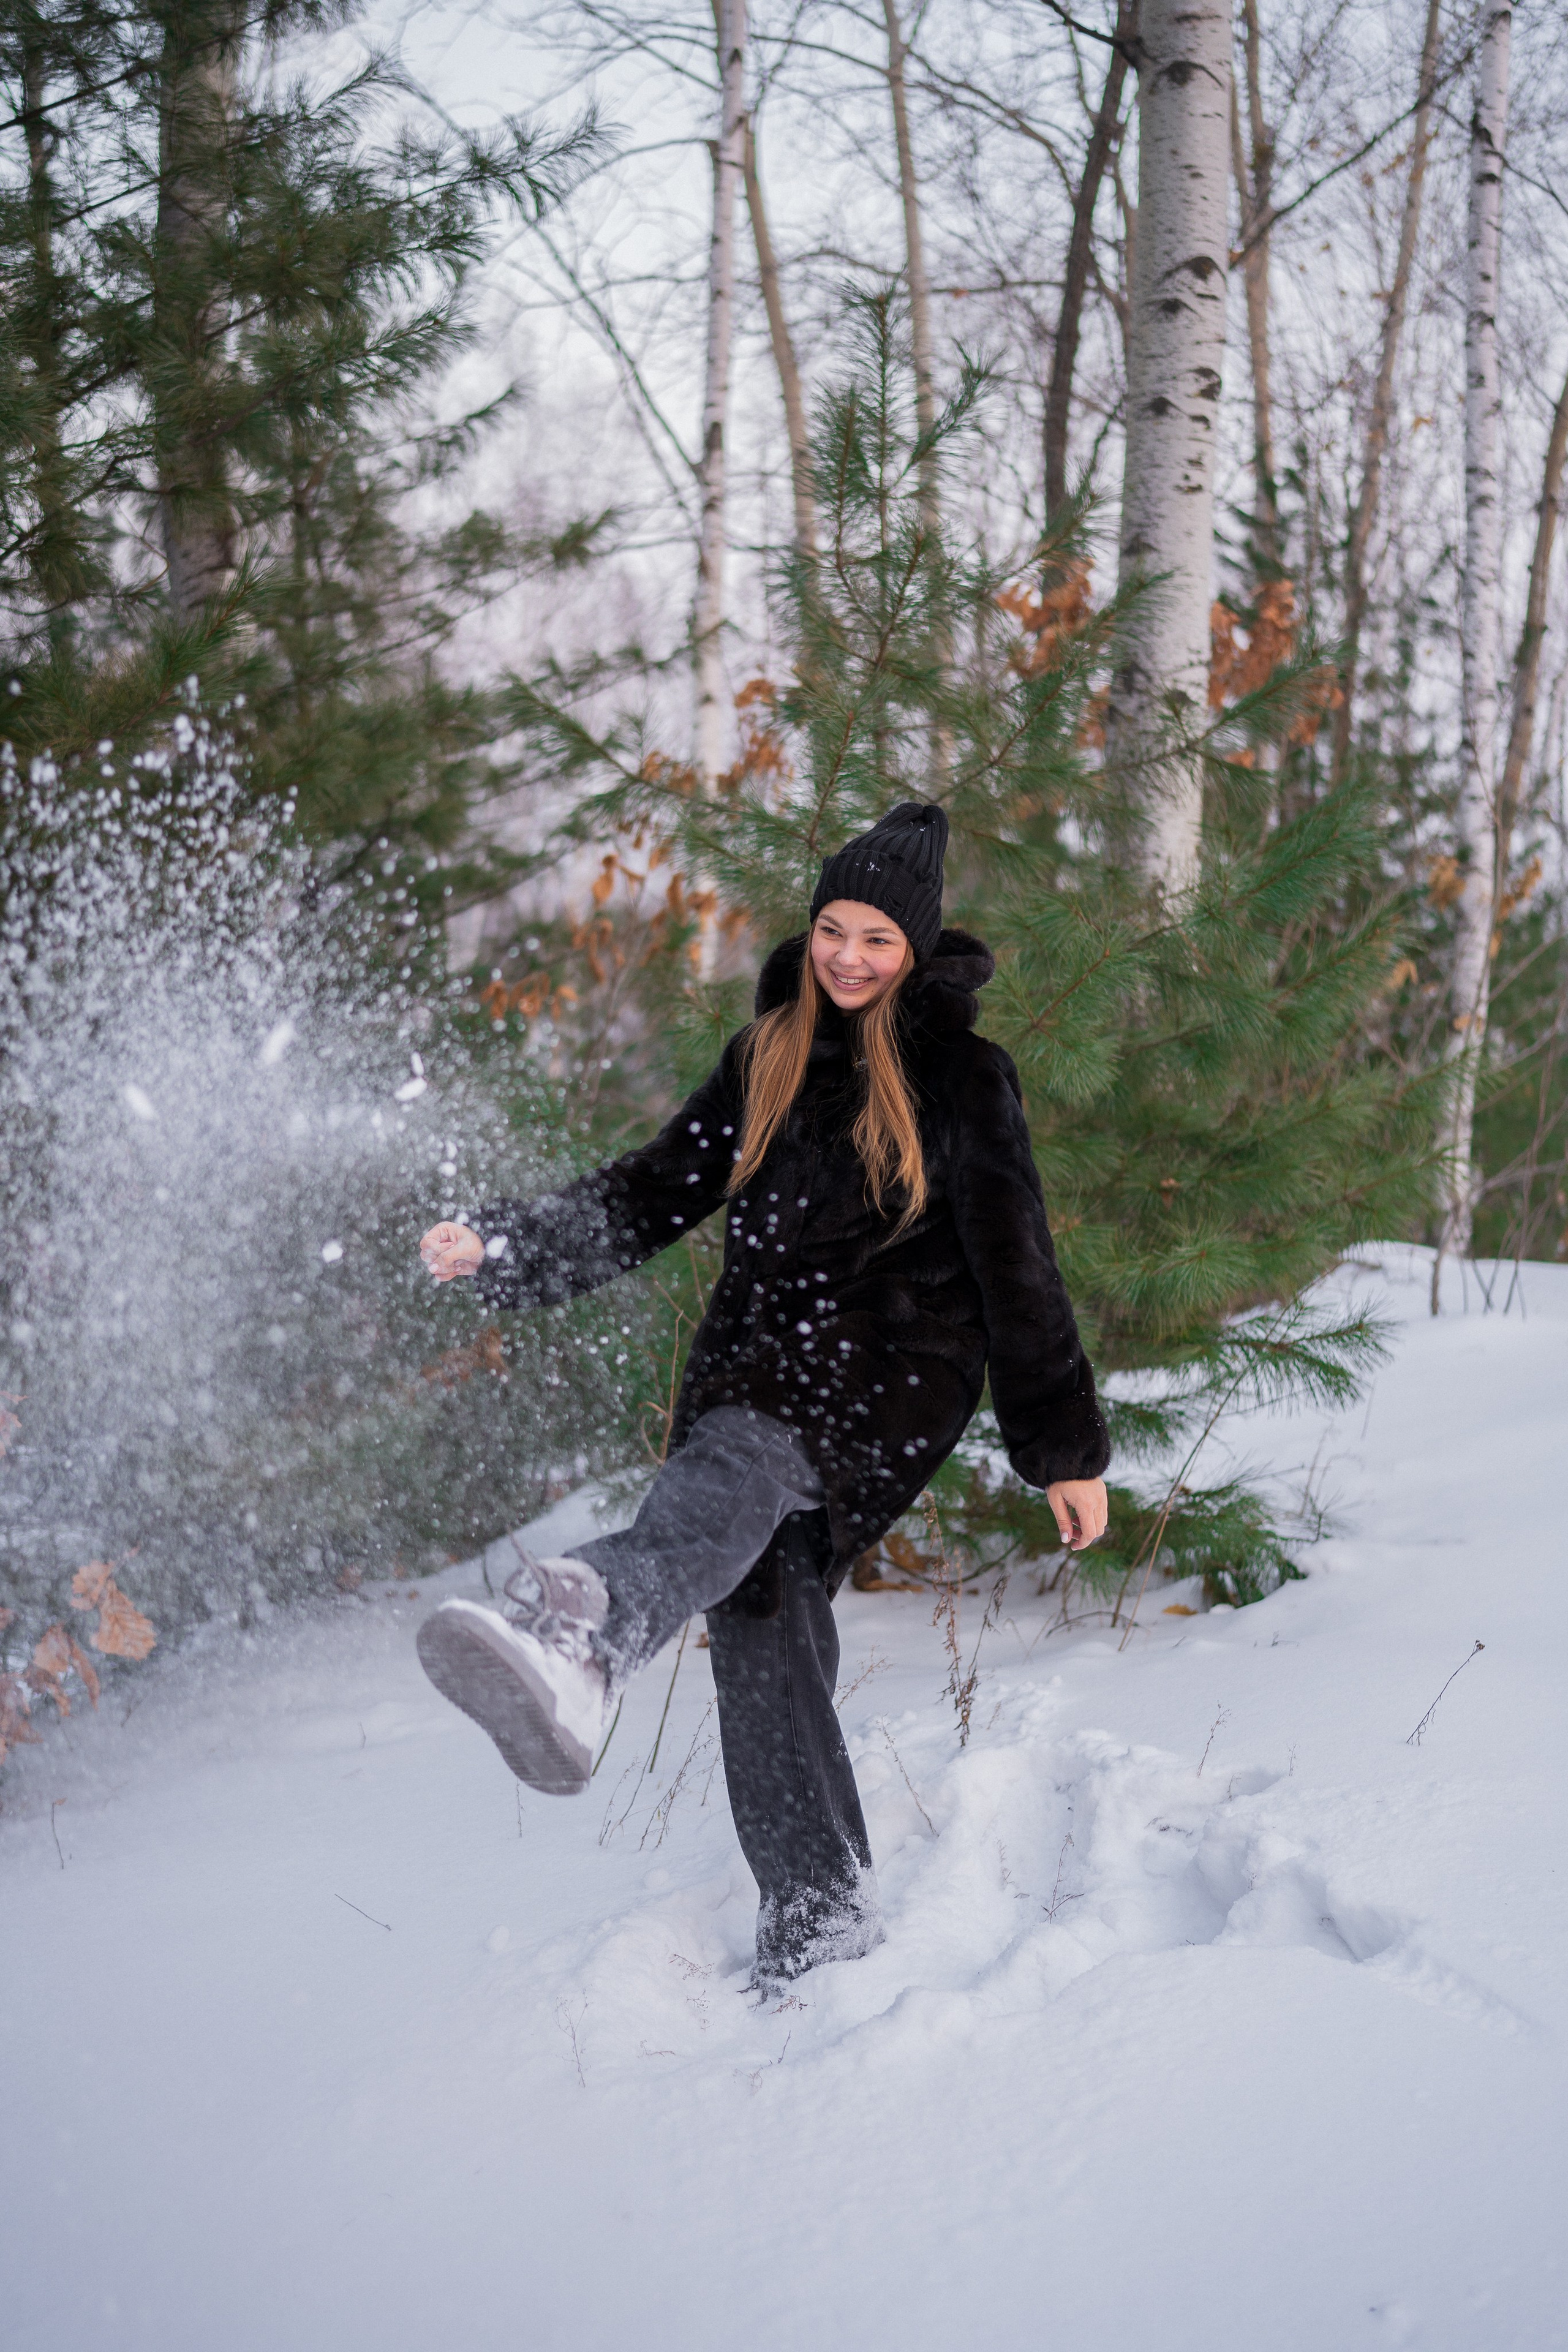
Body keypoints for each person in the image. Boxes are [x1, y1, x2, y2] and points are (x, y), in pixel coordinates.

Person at [416, 802, 1110, 1986]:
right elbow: (647, 1194)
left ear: (918, 948)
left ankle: (589, 1624)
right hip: (762, 1353)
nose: (848, 956)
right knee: (762, 1617)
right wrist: (504, 1248)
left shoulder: (961, 1077)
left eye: (878, 940)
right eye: (833, 927)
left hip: (891, 1374)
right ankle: (822, 1923)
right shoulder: (769, 1054)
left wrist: (1063, 1448)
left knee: (736, 1463)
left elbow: (1020, 1266)